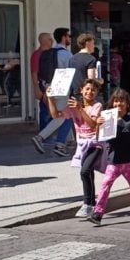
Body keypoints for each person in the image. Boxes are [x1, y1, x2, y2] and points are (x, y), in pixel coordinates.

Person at [88, 89, 130, 225]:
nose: (119, 103)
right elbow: (99, 138)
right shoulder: (106, 118)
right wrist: (98, 125)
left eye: (122, 101)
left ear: (127, 104)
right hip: (113, 160)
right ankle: (98, 213)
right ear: (112, 103)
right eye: (116, 101)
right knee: (106, 184)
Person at [48, 78, 103, 218]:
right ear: (81, 90)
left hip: (95, 144)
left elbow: (92, 124)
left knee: (85, 171)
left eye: (93, 90)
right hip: (81, 145)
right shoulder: (73, 106)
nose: (90, 92)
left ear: (97, 92)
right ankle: (92, 204)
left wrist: (80, 109)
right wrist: (51, 99)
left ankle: (87, 204)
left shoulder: (97, 106)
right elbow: (56, 115)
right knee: (88, 173)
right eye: (87, 89)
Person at [32, 28, 74, 156]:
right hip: (63, 86)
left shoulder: (48, 52)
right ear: (63, 37)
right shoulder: (66, 54)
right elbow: (72, 72)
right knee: (63, 116)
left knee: (67, 114)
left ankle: (67, 140)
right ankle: (41, 137)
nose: (70, 38)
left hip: (50, 86)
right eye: (69, 36)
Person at [29, 32, 53, 128]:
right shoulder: (37, 54)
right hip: (42, 86)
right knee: (44, 110)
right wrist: (37, 89)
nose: (52, 41)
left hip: (52, 86)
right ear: (43, 41)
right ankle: (43, 135)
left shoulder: (52, 53)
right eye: (49, 39)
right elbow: (34, 72)